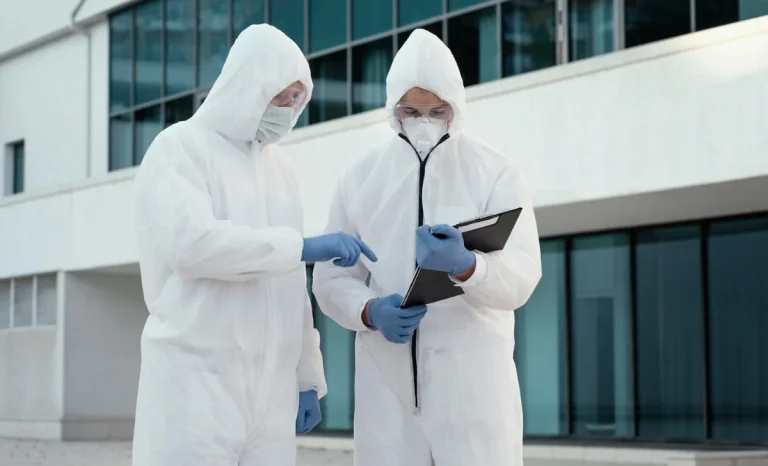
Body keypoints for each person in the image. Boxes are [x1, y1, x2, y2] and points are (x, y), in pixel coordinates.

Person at [131, 25, 376, 466]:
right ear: (248, 85)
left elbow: (291, 288)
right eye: (280, 96)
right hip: (196, 381)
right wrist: (299, 247)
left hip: (270, 392)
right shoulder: (180, 148)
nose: (288, 108)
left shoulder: (280, 168)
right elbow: (192, 245)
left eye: (296, 99)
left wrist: (307, 375)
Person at [312, 29, 542, 466]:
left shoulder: (494, 171)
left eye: (437, 110)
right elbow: (330, 278)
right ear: (392, 108)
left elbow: (523, 274)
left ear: (456, 106)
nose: (423, 120)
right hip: (388, 387)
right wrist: (368, 310)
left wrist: (469, 266)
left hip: (474, 387)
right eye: (410, 110)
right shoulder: (360, 178)